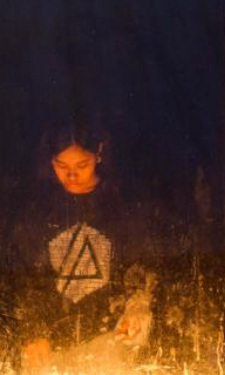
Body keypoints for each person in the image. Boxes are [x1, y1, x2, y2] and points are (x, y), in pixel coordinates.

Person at [12, 124, 158, 372]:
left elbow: (139, 269)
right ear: (50, 161)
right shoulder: (38, 211)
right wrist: (35, 330)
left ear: (98, 155)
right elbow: (27, 279)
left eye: (82, 165)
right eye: (61, 166)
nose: (71, 175)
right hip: (51, 347)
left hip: (107, 342)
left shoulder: (119, 206)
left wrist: (135, 309)